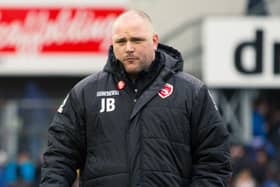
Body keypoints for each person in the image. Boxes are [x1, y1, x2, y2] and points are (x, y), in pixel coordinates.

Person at [40, 9, 232, 187]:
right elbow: (59, 157)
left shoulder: (192, 92)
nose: (129, 48)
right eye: (121, 42)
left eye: (137, 40)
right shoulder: (85, 93)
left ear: (155, 41)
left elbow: (214, 159)